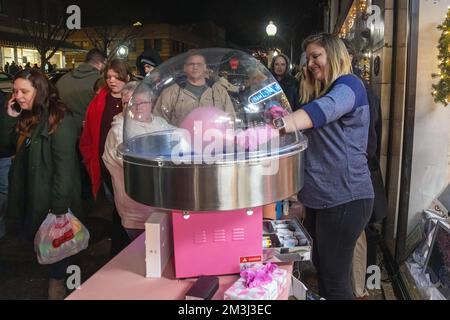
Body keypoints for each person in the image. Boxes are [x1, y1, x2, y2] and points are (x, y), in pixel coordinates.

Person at [271, 33, 374, 300]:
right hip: (321, 199)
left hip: (345, 198)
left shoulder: (350, 85)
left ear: (334, 55)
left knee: (335, 280)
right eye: (308, 58)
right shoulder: (319, 90)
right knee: (324, 271)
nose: (310, 63)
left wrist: (278, 126)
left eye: (316, 56)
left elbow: (322, 111)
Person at [0, 69, 82, 299]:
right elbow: (6, 143)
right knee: (44, 241)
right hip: (31, 191)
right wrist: (9, 115)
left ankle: (59, 283)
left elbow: (64, 170)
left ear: (40, 90)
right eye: (15, 91)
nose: (18, 96)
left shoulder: (60, 119)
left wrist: (58, 209)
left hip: (50, 196)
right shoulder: (28, 114)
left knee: (59, 242)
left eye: (24, 91)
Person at [341, 38, 388, 299]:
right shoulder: (344, 86)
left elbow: (369, 137)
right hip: (352, 172)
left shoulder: (357, 88)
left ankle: (358, 289)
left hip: (355, 174)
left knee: (355, 233)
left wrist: (356, 166)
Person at [102, 82, 173, 240]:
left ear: (151, 103)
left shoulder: (160, 124)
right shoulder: (119, 131)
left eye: (141, 102)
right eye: (128, 102)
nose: (135, 107)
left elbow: (179, 141)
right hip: (137, 213)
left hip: (164, 207)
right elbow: (137, 164)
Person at [79, 59, 132, 256]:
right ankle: (120, 246)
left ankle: (124, 244)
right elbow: (89, 136)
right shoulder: (99, 101)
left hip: (130, 165)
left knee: (128, 206)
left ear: (126, 77)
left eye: (117, 77)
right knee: (117, 204)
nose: (112, 81)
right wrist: (89, 159)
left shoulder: (136, 99)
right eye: (108, 77)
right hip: (106, 164)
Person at [153, 51, 235, 127]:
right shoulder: (171, 92)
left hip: (214, 141)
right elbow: (158, 121)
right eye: (191, 64)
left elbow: (231, 118)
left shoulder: (219, 91)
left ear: (205, 67)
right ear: (185, 68)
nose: (195, 67)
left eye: (199, 64)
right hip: (182, 142)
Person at [57, 48, 107, 134]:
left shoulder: (62, 79)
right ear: (100, 64)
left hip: (61, 131)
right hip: (87, 134)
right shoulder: (101, 83)